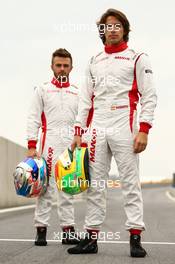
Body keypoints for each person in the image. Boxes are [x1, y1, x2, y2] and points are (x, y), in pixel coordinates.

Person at [68, 9, 157, 257]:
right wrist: (78, 131)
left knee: (130, 182)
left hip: (124, 124)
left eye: (118, 25)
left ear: (125, 29)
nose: (113, 29)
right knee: (96, 185)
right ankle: (91, 238)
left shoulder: (138, 57)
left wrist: (144, 130)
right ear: (102, 31)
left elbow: (149, 97)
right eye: (108, 26)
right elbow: (85, 101)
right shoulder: (94, 61)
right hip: (97, 126)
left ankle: (135, 238)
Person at [27, 48, 80, 246]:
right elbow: (33, 118)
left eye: (66, 65)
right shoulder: (42, 89)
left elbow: (83, 120)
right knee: (45, 190)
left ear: (71, 68)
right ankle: (41, 231)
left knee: (67, 189)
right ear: (52, 67)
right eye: (58, 65)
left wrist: (82, 142)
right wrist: (32, 145)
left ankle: (68, 232)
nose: (62, 69)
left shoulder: (77, 91)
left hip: (70, 147)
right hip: (48, 144)